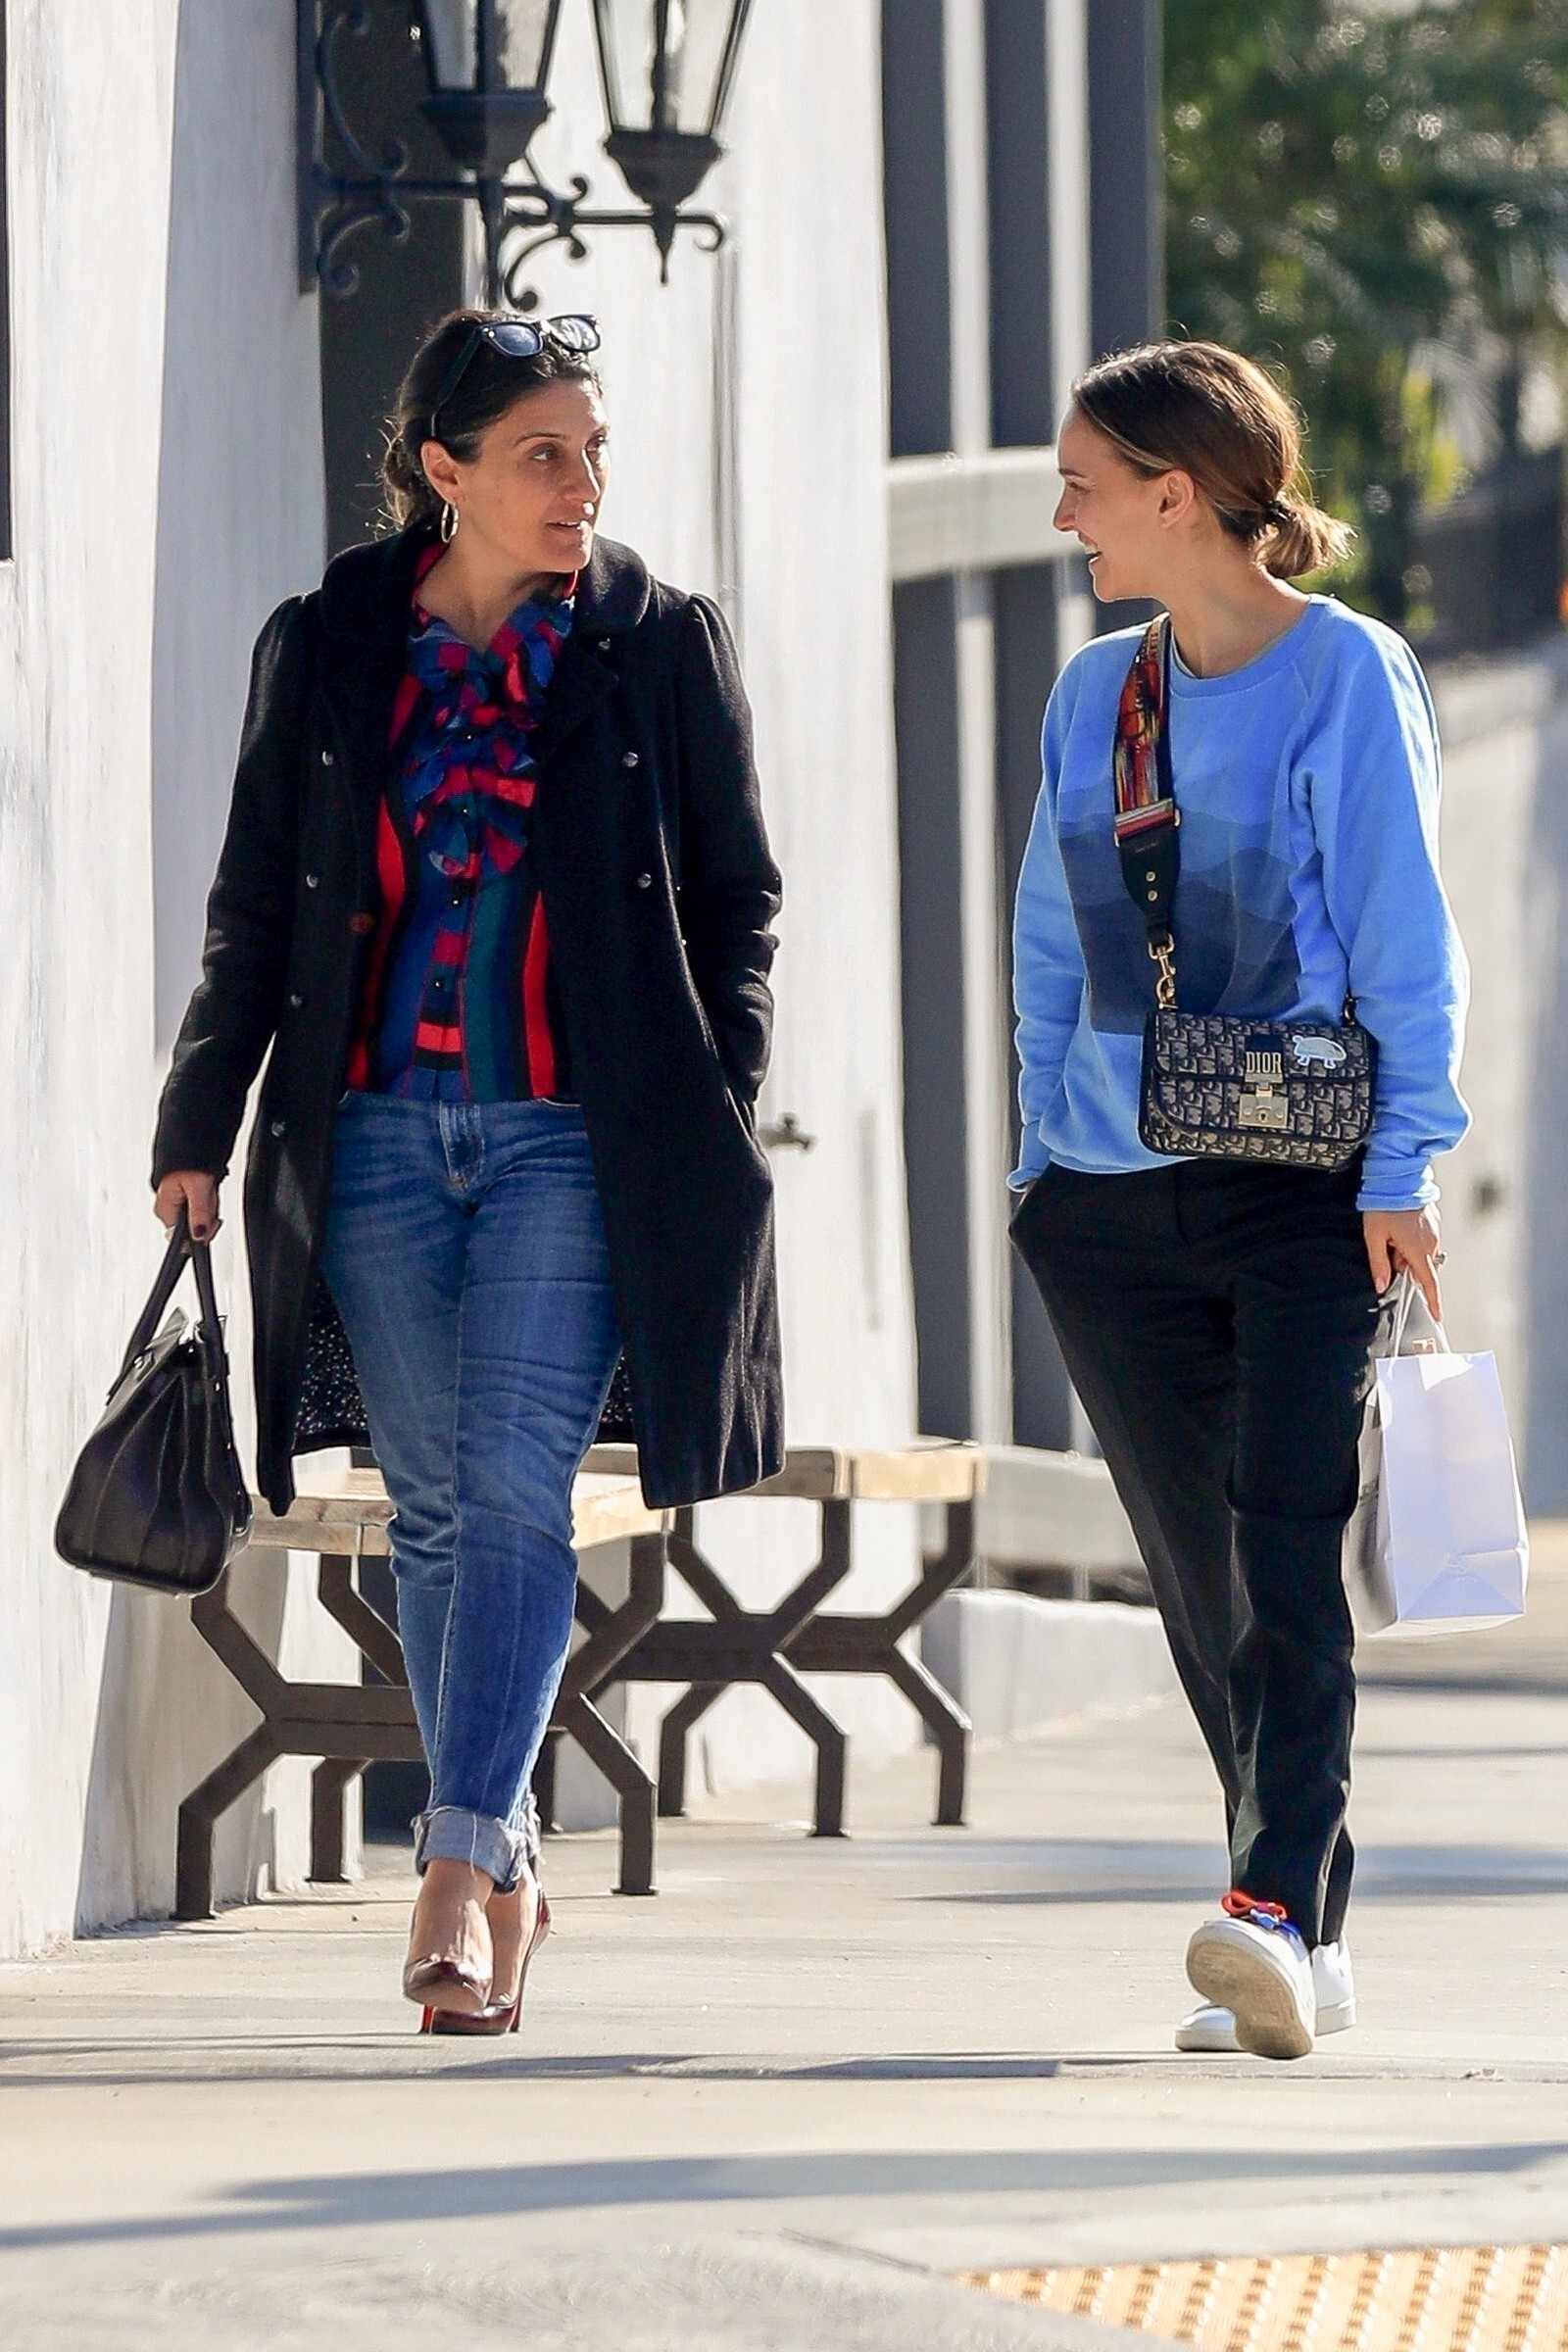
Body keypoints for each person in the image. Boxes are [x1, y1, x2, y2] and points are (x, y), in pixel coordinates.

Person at [153, 310, 784, 2033]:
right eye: (542, 455)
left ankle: (447, 1862)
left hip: (575, 1143)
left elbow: (737, 899)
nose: (583, 484)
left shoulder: (655, 644)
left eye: (593, 452)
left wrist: (712, 1095)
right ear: (446, 469)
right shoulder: (330, 642)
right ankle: (509, 1869)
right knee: (433, 1509)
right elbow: (255, 900)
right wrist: (199, 1121)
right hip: (365, 1137)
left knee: (510, 1490)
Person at [1009, 340, 1468, 2059]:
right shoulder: (1093, 697)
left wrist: (1404, 1163)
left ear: (1176, 494)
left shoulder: (1347, 674)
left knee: (1284, 1544)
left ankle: (1267, 1909)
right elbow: (1046, 937)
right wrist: (1037, 1164)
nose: (1066, 517)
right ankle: (1303, 1930)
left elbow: (1407, 939)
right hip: (1104, 1206)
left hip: (1300, 1192)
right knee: (1206, 1583)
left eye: (1083, 486)